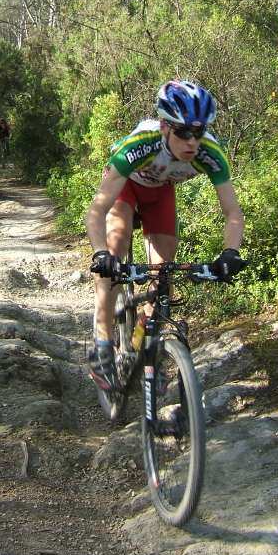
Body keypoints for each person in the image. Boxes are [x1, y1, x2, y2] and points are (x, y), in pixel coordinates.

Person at [85, 80, 246, 391]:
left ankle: (147, 347)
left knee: (163, 273)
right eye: (183, 132)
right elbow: (97, 211)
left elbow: (233, 213)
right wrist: (100, 252)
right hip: (125, 187)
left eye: (198, 133)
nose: (192, 142)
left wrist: (230, 253)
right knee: (115, 245)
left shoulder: (209, 153)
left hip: (160, 192)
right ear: (164, 127)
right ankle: (102, 341)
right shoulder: (141, 144)